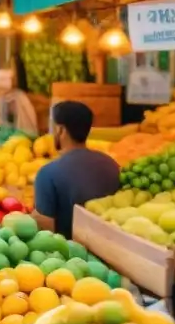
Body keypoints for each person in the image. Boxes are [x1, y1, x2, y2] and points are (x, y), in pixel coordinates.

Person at [33, 101, 120, 238]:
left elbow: (46, 230)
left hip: (71, 255)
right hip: (108, 250)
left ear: (61, 130)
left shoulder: (48, 174)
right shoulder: (111, 165)